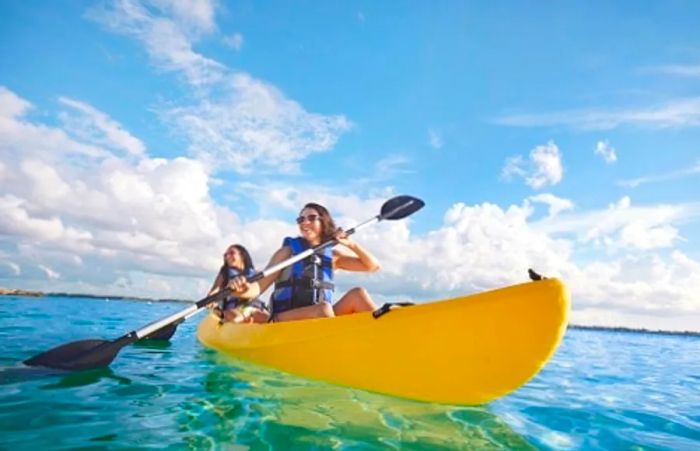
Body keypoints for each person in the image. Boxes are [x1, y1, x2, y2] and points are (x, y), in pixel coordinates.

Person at [230, 203, 380, 322]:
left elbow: (372, 266)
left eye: (311, 218)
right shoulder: (287, 252)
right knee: (323, 310)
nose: (305, 222)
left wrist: (351, 244)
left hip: (320, 317)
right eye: (301, 219)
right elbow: (258, 288)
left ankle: (384, 336)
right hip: (285, 319)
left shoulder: (333, 257)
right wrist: (242, 290)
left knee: (358, 294)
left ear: (324, 222)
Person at [208, 244, 269, 323]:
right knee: (238, 318)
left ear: (242, 255)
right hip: (233, 309)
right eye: (225, 255)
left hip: (254, 306)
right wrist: (211, 299)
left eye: (232, 253)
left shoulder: (255, 273)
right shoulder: (224, 273)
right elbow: (215, 290)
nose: (228, 256)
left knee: (267, 318)